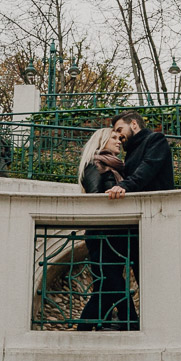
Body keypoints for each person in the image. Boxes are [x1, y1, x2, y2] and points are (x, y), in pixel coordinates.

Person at [76, 127, 137, 330]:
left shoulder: (116, 168)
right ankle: (132, 324)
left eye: (120, 138)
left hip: (115, 237)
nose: (119, 141)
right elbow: (94, 199)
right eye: (114, 138)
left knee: (105, 288)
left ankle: (85, 331)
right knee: (114, 285)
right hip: (101, 237)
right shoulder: (95, 165)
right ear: (102, 142)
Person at [106, 110, 174, 199]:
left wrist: (124, 186)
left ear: (134, 124)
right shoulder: (131, 150)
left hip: (158, 201)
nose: (118, 136)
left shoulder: (156, 139)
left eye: (120, 130)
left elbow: (148, 167)